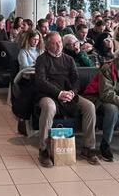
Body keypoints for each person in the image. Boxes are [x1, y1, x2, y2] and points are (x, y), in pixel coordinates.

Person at [34, 32, 98, 167]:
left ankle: (88, 147)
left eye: (60, 42)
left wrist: (72, 93)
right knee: (49, 107)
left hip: (68, 94)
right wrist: (59, 93)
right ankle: (43, 149)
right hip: (48, 94)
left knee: (89, 106)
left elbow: (76, 80)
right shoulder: (42, 59)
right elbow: (41, 81)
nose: (59, 45)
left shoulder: (69, 59)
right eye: (54, 43)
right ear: (47, 45)